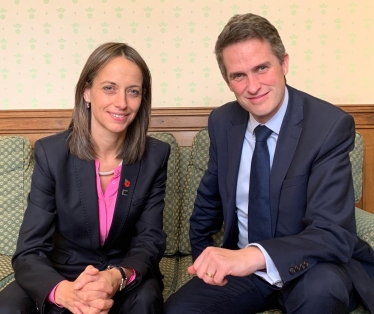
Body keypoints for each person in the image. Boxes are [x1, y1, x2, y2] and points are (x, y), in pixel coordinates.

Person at [164, 13, 374, 314]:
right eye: (239, 75)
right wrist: (206, 257)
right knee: (179, 310)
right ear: (228, 81)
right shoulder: (222, 122)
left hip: (311, 267)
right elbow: (207, 204)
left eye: (262, 68)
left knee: (322, 293)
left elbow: (333, 232)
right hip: (245, 273)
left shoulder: (328, 126)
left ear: (284, 63)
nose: (253, 86)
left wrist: (253, 255)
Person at [0, 42, 170, 314]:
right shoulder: (51, 153)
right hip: (61, 273)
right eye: (109, 88)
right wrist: (65, 293)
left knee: (146, 302)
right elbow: (29, 250)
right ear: (87, 92)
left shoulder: (155, 156)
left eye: (133, 92)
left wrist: (115, 277)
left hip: (121, 275)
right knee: (7, 307)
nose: (122, 103)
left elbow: (150, 240)